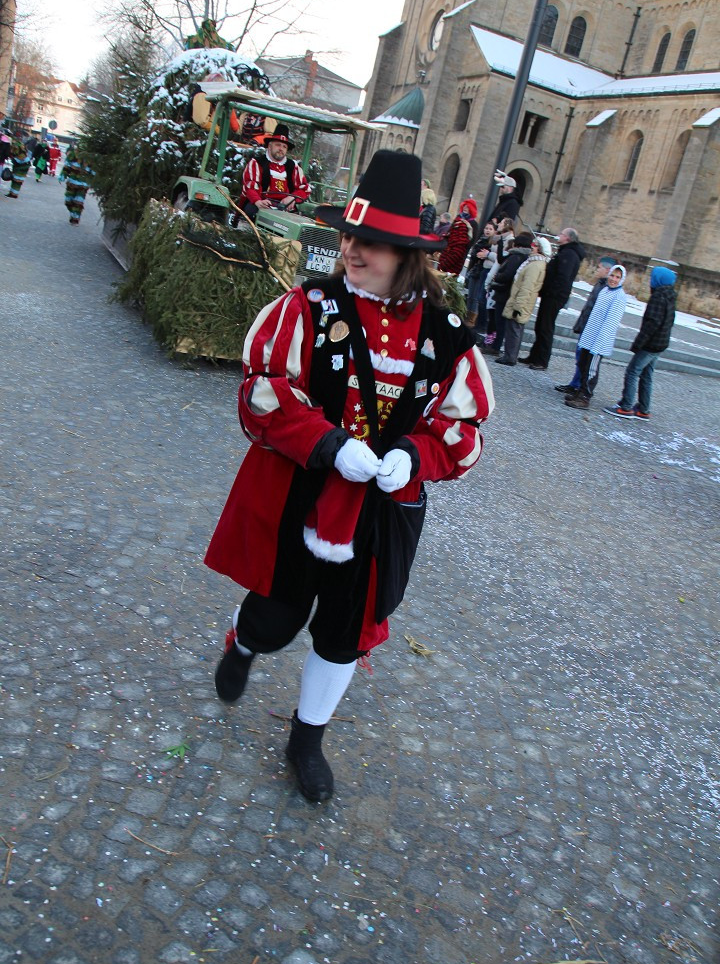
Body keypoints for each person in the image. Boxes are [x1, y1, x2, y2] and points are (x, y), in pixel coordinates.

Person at [204, 150, 495, 803]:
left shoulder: (446, 336)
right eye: (348, 237)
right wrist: (327, 443)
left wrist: (417, 457)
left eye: (369, 243)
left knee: (342, 632)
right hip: (299, 496)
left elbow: (463, 426)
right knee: (277, 618)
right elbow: (263, 394)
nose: (351, 252)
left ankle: (307, 740)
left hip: (378, 513)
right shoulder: (306, 307)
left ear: (405, 253)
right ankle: (245, 642)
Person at [604, 267, 677, 420]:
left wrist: (639, 344)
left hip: (651, 344)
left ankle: (626, 406)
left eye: (653, 277)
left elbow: (652, 323)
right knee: (647, 375)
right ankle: (644, 409)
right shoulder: (669, 295)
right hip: (660, 344)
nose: (651, 280)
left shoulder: (658, 296)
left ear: (659, 279)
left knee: (632, 372)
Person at [521, 228, 586, 370]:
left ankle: (542, 360)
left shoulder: (569, 254)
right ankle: (534, 356)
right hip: (551, 294)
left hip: (554, 296)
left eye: (562, 234)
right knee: (540, 325)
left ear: (568, 238)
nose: (559, 236)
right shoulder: (565, 251)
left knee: (546, 327)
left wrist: (551, 291)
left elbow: (562, 277)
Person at [564, 265, 627, 409]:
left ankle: (585, 396)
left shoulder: (619, 296)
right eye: (612, 276)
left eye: (617, 277)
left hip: (599, 340)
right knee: (583, 365)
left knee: (591, 369)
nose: (613, 279)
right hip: (589, 336)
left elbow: (610, 322)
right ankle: (579, 391)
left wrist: (598, 343)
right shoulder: (605, 290)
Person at [555, 256, 618, 396]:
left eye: (600, 267)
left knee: (587, 362)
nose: (597, 270)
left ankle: (580, 388)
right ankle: (575, 384)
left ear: (608, 270)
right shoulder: (600, 285)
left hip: (593, 330)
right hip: (587, 327)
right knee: (580, 359)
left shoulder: (608, 289)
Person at [495, 237, 552, 365]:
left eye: (535, 245)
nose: (532, 246)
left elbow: (527, 287)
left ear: (541, 250)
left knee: (514, 329)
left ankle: (510, 357)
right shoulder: (534, 263)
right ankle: (510, 355)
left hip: (521, 302)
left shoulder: (536, 265)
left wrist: (518, 306)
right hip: (520, 301)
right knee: (515, 328)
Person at [239, 122, 310, 221]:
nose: (281, 149)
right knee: (252, 211)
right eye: (278, 145)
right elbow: (250, 187)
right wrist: (258, 201)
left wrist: (292, 198)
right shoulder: (257, 163)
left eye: (284, 147)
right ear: (270, 145)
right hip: (262, 205)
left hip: (285, 208)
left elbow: (304, 189)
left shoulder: (293, 166)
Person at [483, 231, 534, 356]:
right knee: (499, 321)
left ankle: (495, 347)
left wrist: (497, 277)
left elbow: (507, 274)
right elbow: (502, 260)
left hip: (504, 292)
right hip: (506, 292)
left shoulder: (516, 257)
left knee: (500, 322)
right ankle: (495, 345)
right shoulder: (520, 257)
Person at [464, 220, 497, 336]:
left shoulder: (492, 242)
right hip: (475, 269)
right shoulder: (481, 239)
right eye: (486, 228)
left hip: (483, 270)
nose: (487, 231)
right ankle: (468, 317)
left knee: (478, 297)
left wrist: (483, 255)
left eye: (490, 229)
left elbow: (484, 255)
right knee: (471, 296)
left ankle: (473, 320)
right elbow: (474, 254)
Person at [437, 198, 478, 274]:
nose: (465, 208)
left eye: (468, 207)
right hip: (449, 250)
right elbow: (450, 231)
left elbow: (472, 240)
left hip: (460, 251)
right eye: (464, 206)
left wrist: (461, 245)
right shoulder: (458, 218)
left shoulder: (473, 223)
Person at [59, 144, 94, 224]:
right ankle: (73, 213)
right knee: (68, 200)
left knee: (78, 201)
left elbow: (94, 172)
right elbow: (67, 166)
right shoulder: (73, 154)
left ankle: (75, 218)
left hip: (83, 184)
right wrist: (63, 175)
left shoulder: (91, 158)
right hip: (72, 182)